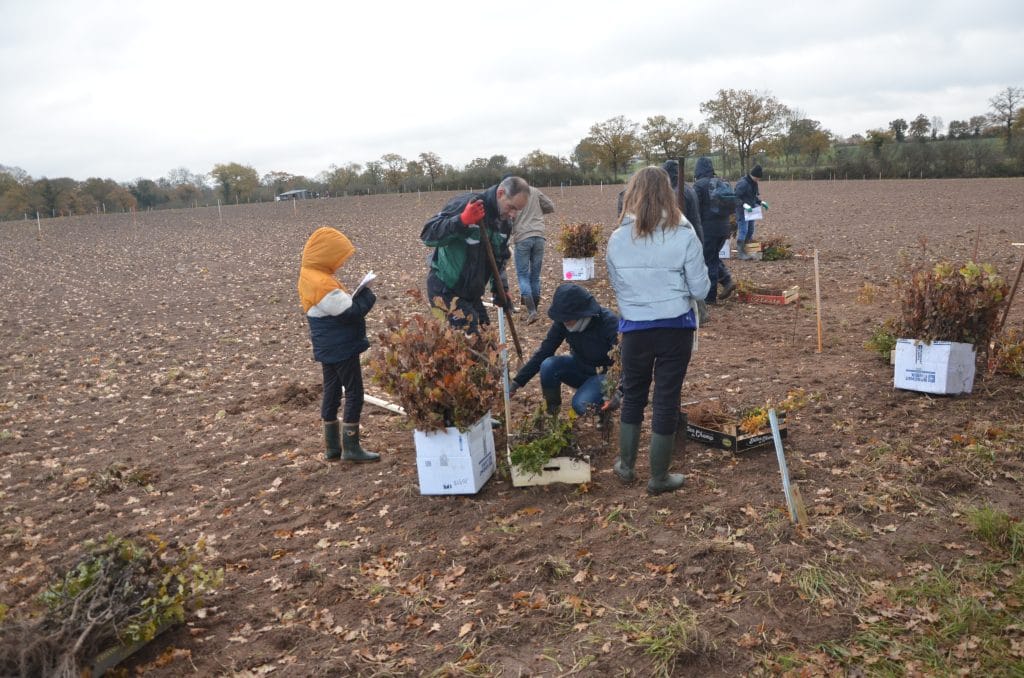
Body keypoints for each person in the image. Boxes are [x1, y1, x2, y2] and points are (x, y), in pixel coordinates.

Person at [606, 166, 710, 495]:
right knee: (666, 399)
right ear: (668, 193)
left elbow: (617, 285)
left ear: (632, 193)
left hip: (635, 329)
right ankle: (659, 476)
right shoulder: (684, 234)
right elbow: (701, 288)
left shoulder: (617, 238)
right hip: (675, 327)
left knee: (634, 395)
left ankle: (625, 466)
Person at [298, 227, 379, 462]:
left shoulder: (309, 274)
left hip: (327, 346)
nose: (340, 263)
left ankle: (332, 447)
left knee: (332, 391)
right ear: (326, 255)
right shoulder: (322, 283)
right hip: (341, 346)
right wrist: (368, 295)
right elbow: (350, 313)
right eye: (338, 256)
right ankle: (352, 448)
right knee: (354, 392)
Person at [421, 176, 531, 334]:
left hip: (471, 293)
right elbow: (428, 235)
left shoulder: (504, 223)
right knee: (470, 339)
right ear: (500, 193)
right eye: (511, 207)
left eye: (517, 210)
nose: (513, 215)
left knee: (486, 335)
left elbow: (499, 258)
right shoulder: (468, 204)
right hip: (445, 288)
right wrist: (462, 220)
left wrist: (500, 289)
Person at [508, 283, 618, 416]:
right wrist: (517, 382)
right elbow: (544, 351)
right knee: (548, 365)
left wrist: (618, 393)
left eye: (568, 319)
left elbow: (626, 362)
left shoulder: (609, 323)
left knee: (581, 405)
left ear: (581, 313)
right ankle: (553, 413)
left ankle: (603, 413)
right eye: (562, 319)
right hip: (580, 368)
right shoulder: (563, 323)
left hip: (604, 376)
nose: (565, 322)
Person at [693, 156, 736, 304]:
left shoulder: (699, 185)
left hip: (708, 229)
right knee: (713, 257)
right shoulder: (721, 182)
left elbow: (695, 208)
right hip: (724, 228)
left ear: (698, 169)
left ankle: (710, 297)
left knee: (709, 261)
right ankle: (726, 280)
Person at [511, 186, 555, 324]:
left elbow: (508, 217)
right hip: (539, 236)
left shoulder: (512, 194)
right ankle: (534, 308)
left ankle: (532, 311)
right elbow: (550, 206)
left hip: (522, 237)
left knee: (523, 275)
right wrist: (537, 212)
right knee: (535, 276)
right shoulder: (534, 191)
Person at [734, 164, 765, 260]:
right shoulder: (743, 183)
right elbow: (735, 197)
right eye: (757, 178)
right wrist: (744, 204)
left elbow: (753, 196)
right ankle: (741, 253)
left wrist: (760, 202)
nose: (758, 180)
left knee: (751, 230)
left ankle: (748, 249)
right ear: (753, 175)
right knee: (743, 230)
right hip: (742, 210)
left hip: (751, 210)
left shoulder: (754, 183)